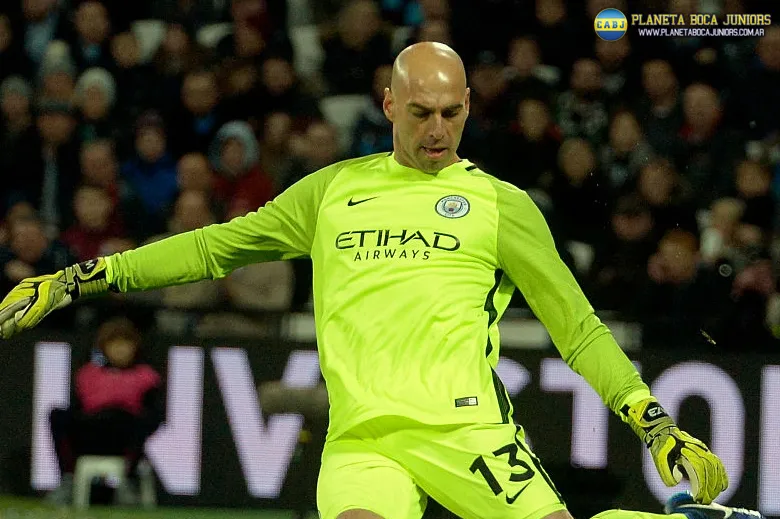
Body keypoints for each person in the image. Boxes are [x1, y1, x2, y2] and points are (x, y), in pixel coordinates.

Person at [0, 42, 763, 519]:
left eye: (454, 114)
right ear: (389, 102)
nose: (437, 131)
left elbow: (578, 326)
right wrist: (78, 278)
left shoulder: (501, 205)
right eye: (423, 111)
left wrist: (651, 421)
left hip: (468, 433)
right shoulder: (332, 190)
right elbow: (213, 248)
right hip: (363, 438)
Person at [46, 316, 163, 505]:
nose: (120, 349)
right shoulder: (88, 374)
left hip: (123, 437)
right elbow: (76, 408)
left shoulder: (146, 376)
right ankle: (69, 479)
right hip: (90, 433)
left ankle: (128, 482)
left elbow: (155, 416)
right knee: (58, 415)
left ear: (135, 347)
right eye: (114, 343)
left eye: (125, 343)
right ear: (104, 347)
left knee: (133, 420)